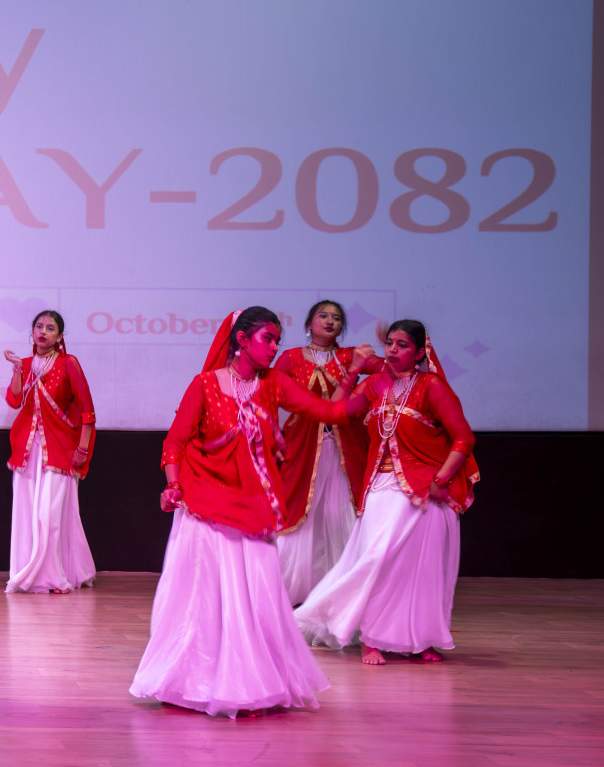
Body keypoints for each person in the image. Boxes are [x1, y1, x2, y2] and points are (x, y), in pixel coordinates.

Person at [130, 306, 373, 718]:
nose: (275, 347)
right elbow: (175, 441)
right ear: (242, 341)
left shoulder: (273, 384)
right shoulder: (205, 385)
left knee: (257, 602)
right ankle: (187, 681)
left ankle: (251, 684)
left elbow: (330, 412)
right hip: (206, 509)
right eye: (267, 339)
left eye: (278, 340)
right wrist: (173, 485)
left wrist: (364, 380)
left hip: (254, 510)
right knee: (204, 601)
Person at [295, 320, 478, 665]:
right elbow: (335, 413)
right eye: (390, 343)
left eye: (402, 345)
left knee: (423, 571)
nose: (392, 349)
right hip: (382, 487)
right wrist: (353, 371)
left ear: (420, 353)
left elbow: (463, 438)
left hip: (428, 492)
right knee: (376, 560)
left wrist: (441, 480)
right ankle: (370, 637)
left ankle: (421, 640)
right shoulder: (375, 384)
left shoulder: (431, 387)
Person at [274, 300, 376, 605]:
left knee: (340, 511)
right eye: (323, 316)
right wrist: (272, 434)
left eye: (337, 318)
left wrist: (393, 345)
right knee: (299, 511)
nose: (330, 321)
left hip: (346, 449)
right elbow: (268, 396)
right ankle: (290, 591)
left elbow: (391, 368)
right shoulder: (290, 358)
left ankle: (341, 594)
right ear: (309, 324)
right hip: (302, 448)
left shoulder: (350, 356)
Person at [2, 309, 97, 593]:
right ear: (32, 332)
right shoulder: (26, 364)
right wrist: (17, 370)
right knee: (27, 517)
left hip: (59, 451)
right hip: (27, 452)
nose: (43, 332)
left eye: (50, 328)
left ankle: (55, 577)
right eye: (39, 327)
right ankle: (31, 575)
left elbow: (87, 410)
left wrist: (83, 448)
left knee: (49, 517)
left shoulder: (69, 364)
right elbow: (14, 400)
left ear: (59, 336)